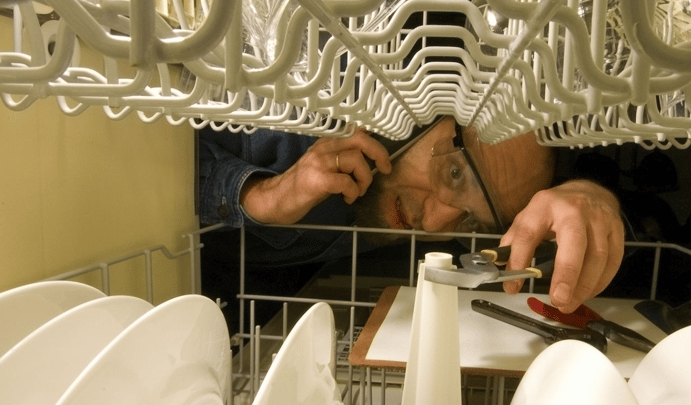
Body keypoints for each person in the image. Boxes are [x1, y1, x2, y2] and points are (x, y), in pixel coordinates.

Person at [198, 116, 625, 314]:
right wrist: (260, 195)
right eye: (455, 173)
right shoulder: (305, 113)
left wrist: (594, 195)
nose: (435, 224)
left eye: (472, 222)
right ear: (424, 112)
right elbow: (144, 148)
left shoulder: (412, 205)